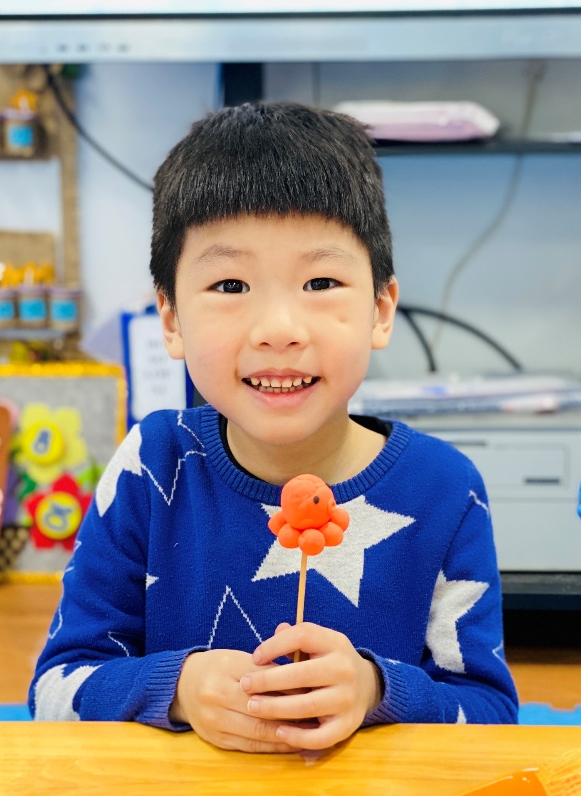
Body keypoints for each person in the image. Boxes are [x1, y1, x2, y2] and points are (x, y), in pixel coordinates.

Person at [30, 102, 519, 753]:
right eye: (231, 285)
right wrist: (177, 688)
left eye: (321, 281)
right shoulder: (152, 465)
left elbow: (491, 715)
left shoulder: (444, 488)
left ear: (380, 310)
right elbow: (54, 693)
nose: (278, 329)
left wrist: (377, 691)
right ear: (171, 321)